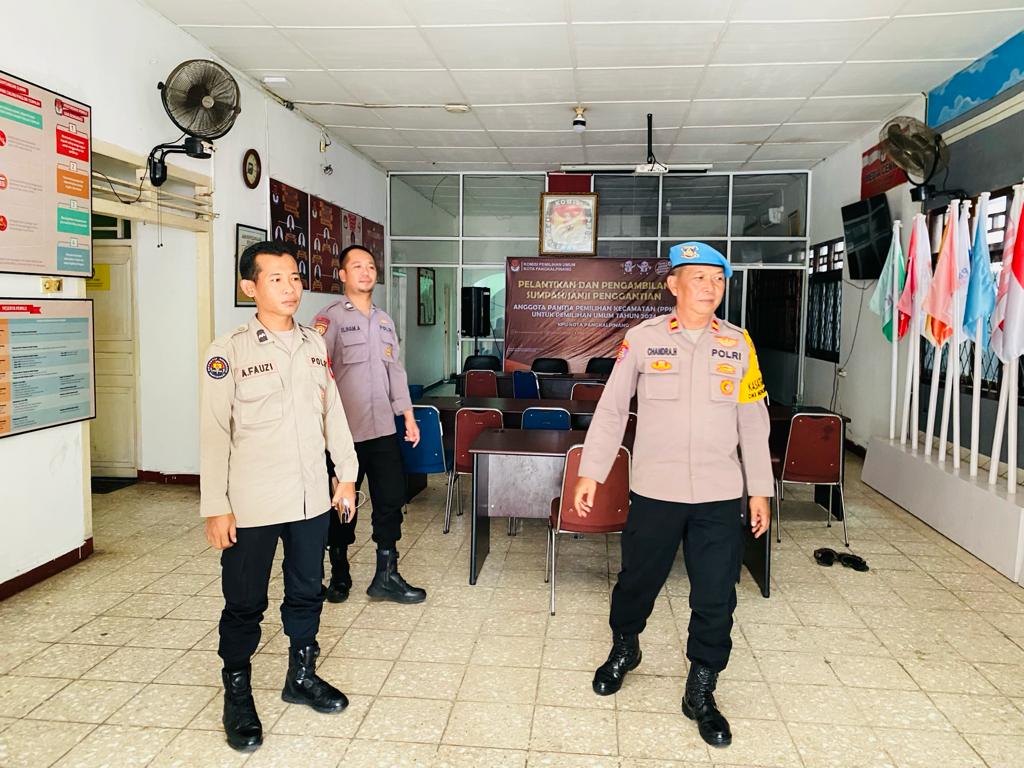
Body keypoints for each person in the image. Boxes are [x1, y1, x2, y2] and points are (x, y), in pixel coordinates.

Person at [575, 241, 773, 748]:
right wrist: (591, 471)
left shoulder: (739, 344)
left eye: (719, 279)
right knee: (637, 581)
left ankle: (701, 688)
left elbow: (753, 421)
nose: (711, 287)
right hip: (655, 490)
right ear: (673, 285)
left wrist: (760, 489)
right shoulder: (643, 339)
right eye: (700, 277)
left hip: (719, 493)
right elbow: (613, 409)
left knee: (716, 594)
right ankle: (625, 647)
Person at [200, 241, 359, 752]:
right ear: (250, 287)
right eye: (276, 279)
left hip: (311, 497)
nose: (291, 288)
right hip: (252, 502)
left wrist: (346, 475)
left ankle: (301, 675)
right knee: (245, 600)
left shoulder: (314, 344)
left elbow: (333, 412)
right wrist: (215, 505)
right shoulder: (229, 351)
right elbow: (214, 432)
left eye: (295, 278)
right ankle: (237, 691)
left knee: (307, 590)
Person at [314, 244, 426, 604]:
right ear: (343, 275)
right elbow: (318, 374)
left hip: (383, 431)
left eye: (371, 267)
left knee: (390, 501)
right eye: (357, 266)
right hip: (344, 435)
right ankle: (339, 572)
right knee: (342, 505)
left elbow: (396, 372)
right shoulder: (330, 319)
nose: (366, 272)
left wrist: (408, 416)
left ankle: (386, 576)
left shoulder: (384, 321)